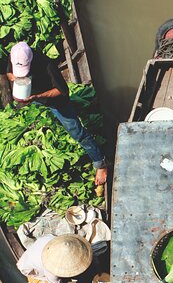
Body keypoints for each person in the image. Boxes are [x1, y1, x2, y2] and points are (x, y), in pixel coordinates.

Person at [6, 42, 107, 185]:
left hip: (55, 101)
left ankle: (101, 163)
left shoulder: (46, 64)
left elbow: (62, 91)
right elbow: (8, 72)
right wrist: (16, 79)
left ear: (31, 60)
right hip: (32, 97)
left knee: (77, 132)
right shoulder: (16, 55)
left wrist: (37, 97)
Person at [16, 234, 99, 283]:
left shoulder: (61, 242)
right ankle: (34, 280)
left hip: (35, 256)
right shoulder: (51, 270)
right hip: (32, 269)